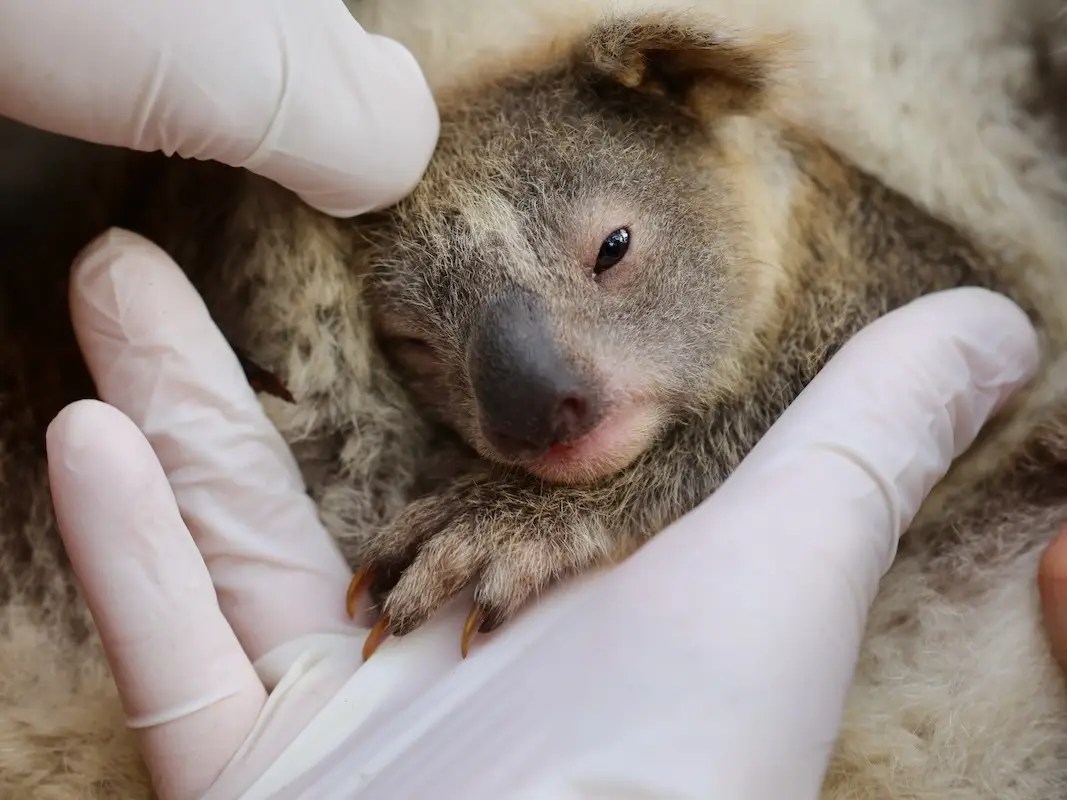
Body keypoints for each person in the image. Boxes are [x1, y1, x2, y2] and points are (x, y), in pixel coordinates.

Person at [5, 2, 1066, 797]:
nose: (531, 405)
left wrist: (603, 503)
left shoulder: (790, 192)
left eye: (609, 255)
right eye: (421, 344)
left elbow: (945, 305)